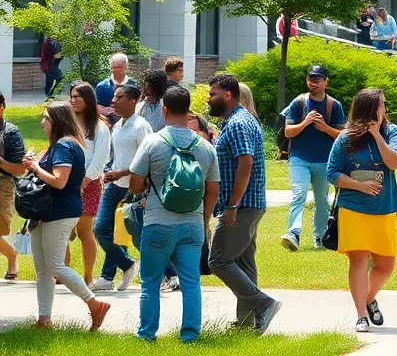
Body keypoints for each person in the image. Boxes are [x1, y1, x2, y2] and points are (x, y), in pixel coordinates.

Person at [128, 84, 220, 342]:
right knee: (191, 282)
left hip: (158, 220)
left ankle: (147, 335)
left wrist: (148, 182)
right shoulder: (205, 146)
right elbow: (212, 190)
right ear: (188, 111)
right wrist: (203, 221)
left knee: (150, 282)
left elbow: (135, 185)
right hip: (192, 223)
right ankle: (190, 336)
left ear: (165, 109)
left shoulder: (152, 142)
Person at [24, 101, 111, 330]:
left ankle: (94, 303)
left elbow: (59, 181)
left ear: (56, 121)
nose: (42, 122)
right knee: (43, 268)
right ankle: (44, 320)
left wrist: (35, 167)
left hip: (60, 212)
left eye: (45, 118)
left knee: (54, 266)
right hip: (45, 212)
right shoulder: (59, 145)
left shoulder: (65, 146)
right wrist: (33, 164)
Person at [327, 87, 397, 333]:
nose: (382, 110)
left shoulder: (391, 132)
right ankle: (361, 315)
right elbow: (332, 173)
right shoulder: (346, 137)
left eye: (383, 106)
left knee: (386, 264)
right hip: (353, 206)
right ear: (367, 110)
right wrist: (358, 185)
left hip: (384, 207)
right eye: (379, 106)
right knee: (359, 259)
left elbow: (394, 163)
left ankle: (368, 298)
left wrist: (377, 135)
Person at [206, 74, 280, 332]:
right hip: (247, 204)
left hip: (242, 206)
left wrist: (232, 205)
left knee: (219, 261)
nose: (208, 98)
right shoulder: (234, 122)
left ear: (228, 95)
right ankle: (248, 323)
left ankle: (264, 304)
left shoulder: (238, 123)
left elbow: (245, 163)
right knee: (244, 262)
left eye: (213, 93)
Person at [280, 65, 345, 251]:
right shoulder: (298, 103)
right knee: (299, 193)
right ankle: (294, 234)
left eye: (317, 79)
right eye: (310, 79)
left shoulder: (334, 105)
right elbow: (288, 132)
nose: (313, 83)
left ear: (326, 81)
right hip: (299, 158)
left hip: (325, 160)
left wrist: (326, 128)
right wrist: (305, 122)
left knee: (322, 200)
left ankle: (320, 237)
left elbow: (342, 135)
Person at [92, 83, 149, 292]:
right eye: (114, 97)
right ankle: (126, 265)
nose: (113, 101)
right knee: (100, 229)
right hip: (114, 185)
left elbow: (147, 160)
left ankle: (109, 276)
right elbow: (116, 155)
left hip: (133, 187)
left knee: (131, 233)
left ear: (133, 101)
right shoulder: (117, 125)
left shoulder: (141, 126)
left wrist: (123, 172)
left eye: (119, 97)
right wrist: (109, 172)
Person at [69, 82, 110, 287]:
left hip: (90, 182)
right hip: (66, 181)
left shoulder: (100, 127)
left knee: (85, 231)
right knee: (63, 229)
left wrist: (84, 182)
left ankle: (88, 276)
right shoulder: (68, 124)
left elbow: (100, 160)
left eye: (78, 96)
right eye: (72, 97)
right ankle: (63, 274)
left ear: (88, 99)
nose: (74, 100)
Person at [0, 90, 28, 280]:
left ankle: (11, 254)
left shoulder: (10, 133)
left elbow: (20, 169)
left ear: (2, 107)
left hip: (4, 184)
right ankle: (11, 255)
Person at [96, 53, 132, 123]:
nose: (116, 70)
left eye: (119, 67)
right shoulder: (102, 86)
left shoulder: (134, 84)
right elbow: (98, 107)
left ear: (126, 66)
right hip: (109, 123)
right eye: (114, 67)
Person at [137, 68, 170, 133]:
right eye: (144, 85)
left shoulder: (166, 105)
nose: (145, 89)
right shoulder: (140, 105)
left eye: (149, 87)